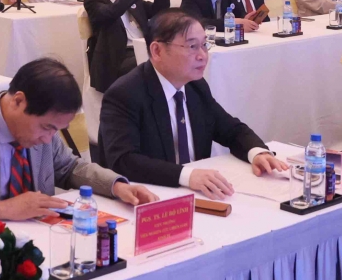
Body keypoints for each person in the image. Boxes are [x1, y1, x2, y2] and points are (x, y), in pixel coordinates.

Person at [0, 58, 157, 226]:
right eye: (47, 128)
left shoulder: (44, 131)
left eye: (56, 130)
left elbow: (69, 167)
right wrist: (2, 209)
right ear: (18, 101)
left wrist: (116, 186)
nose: (48, 139)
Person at [99, 11, 284, 197]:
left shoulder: (195, 86)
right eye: (192, 46)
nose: (203, 55)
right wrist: (187, 176)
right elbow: (124, 161)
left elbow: (231, 129)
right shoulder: (125, 94)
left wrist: (257, 153)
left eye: (204, 45)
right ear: (157, 51)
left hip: (199, 195)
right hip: (150, 196)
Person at [83, 0, 169, 95]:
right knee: (152, 64)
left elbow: (158, 12)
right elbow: (112, 12)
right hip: (117, 56)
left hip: (143, 47)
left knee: (176, 56)